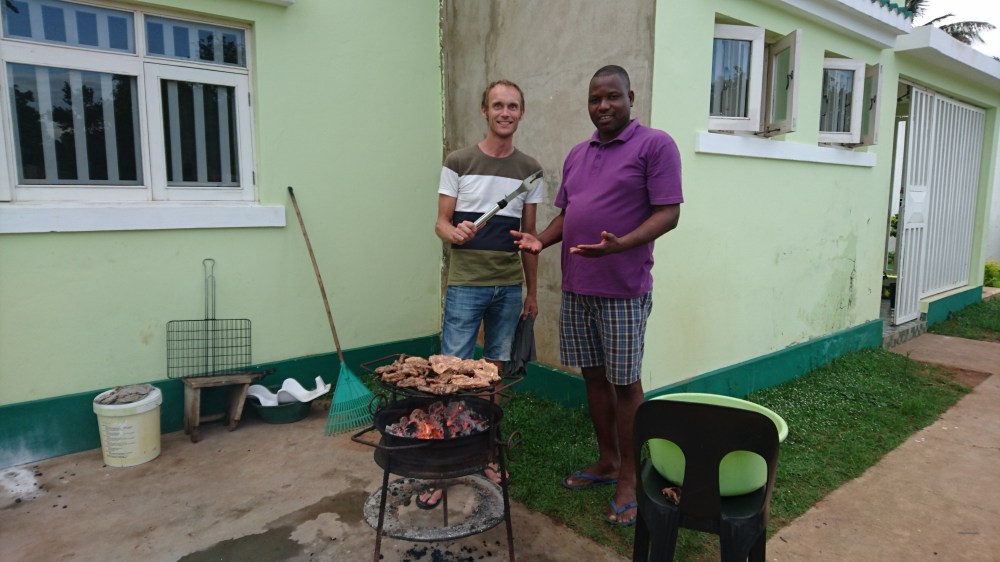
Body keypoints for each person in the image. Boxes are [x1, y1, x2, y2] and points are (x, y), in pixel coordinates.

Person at [512, 65, 682, 527]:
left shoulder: (655, 145)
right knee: (592, 377)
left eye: (612, 97)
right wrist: (539, 241)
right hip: (578, 287)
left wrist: (622, 244)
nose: (603, 106)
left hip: (622, 289)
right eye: (595, 99)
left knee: (625, 384)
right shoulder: (578, 154)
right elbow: (568, 214)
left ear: (631, 98)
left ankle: (630, 476)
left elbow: (668, 213)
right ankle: (607, 461)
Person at [418, 79, 544, 509]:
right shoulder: (459, 161)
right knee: (450, 371)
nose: (505, 113)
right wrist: (453, 232)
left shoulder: (530, 170)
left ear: (521, 113)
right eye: (497, 105)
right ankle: (444, 463)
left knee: (494, 374)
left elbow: (529, 238)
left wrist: (531, 293)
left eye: (513, 106)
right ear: (484, 110)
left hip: (508, 287)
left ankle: (486, 451)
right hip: (466, 285)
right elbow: (440, 222)